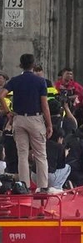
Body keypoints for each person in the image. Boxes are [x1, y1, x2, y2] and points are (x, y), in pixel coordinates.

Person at [0, 54, 53, 191]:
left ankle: (24, 186)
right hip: (35, 119)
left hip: (18, 119)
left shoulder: (15, 80)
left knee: (22, 154)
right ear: (33, 64)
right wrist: (49, 124)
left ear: (20, 65)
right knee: (40, 154)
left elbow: (1, 95)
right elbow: (45, 105)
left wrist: (8, 112)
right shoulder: (40, 81)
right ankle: (42, 187)